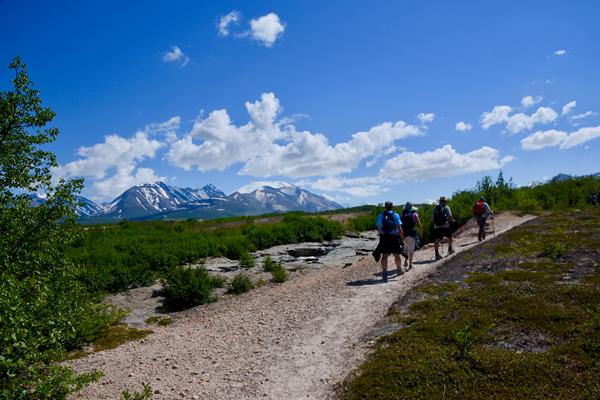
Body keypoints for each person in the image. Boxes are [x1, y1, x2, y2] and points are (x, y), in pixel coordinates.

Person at [375, 201, 404, 281]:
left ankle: (384, 273)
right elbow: (399, 228)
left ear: (385, 207)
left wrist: (381, 235)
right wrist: (402, 239)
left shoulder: (380, 215)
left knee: (384, 256)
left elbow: (379, 227)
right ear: (392, 207)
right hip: (394, 237)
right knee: (396, 255)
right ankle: (399, 270)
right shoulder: (395, 215)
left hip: (384, 237)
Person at [401, 202, 422, 270]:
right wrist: (421, 230)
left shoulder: (402, 213)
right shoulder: (414, 214)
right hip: (412, 233)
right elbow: (418, 224)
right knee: (411, 249)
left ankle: (406, 261)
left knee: (406, 248)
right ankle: (410, 265)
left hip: (404, 234)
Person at [432, 196, 454, 261]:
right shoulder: (446, 207)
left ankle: (437, 255)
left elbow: (432, 220)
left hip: (436, 226)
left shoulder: (435, 208)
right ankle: (450, 249)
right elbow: (449, 216)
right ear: (445, 202)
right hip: (446, 225)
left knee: (436, 239)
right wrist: (452, 221)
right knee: (450, 237)